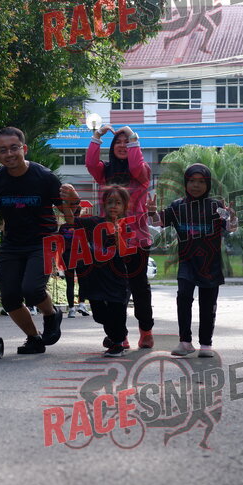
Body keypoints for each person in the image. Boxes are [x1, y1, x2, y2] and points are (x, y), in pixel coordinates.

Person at [0, 127, 71, 354]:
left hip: (42, 241)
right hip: (12, 244)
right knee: (9, 297)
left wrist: (72, 205)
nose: (9, 154)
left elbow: (68, 214)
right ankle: (34, 338)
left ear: (24, 149)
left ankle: (51, 314)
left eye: (14, 148)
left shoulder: (44, 177)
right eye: (3, 150)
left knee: (32, 289)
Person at [147, 163, 237, 357]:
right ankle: (185, 342)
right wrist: (151, 212)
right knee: (183, 298)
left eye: (201, 182)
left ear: (208, 184)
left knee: (208, 304)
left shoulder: (216, 207)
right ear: (186, 182)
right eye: (192, 181)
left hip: (210, 265)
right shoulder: (178, 206)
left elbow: (230, 227)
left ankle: (206, 344)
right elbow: (157, 222)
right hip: (187, 262)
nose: (196, 185)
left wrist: (233, 218)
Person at [85, 123, 154, 348]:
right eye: (119, 142)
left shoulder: (142, 171)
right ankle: (119, 335)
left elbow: (135, 165)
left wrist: (133, 136)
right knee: (114, 289)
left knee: (139, 287)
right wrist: (97, 135)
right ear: (112, 147)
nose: (123, 145)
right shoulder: (104, 172)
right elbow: (90, 163)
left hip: (137, 239)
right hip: (109, 239)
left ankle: (146, 330)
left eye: (127, 142)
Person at [61, 184, 132, 357]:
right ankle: (116, 335)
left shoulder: (127, 226)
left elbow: (125, 253)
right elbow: (71, 221)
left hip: (117, 279)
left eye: (118, 203)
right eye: (110, 202)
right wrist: (66, 202)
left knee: (117, 312)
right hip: (95, 278)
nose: (113, 206)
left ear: (124, 207)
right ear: (103, 204)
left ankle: (117, 342)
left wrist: (118, 236)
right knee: (99, 315)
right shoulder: (93, 222)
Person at [59, 204, 91, 319]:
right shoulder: (83, 226)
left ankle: (71, 309)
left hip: (67, 256)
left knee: (70, 283)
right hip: (80, 255)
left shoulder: (63, 227)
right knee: (83, 281)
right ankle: (81, 304)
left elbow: (59, 243)